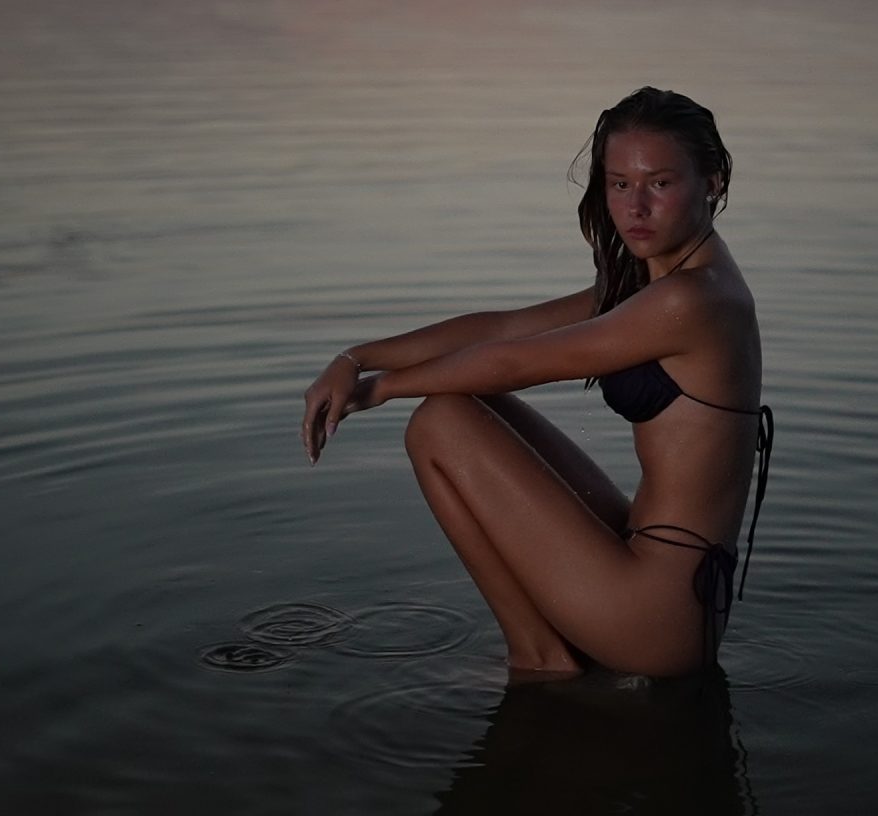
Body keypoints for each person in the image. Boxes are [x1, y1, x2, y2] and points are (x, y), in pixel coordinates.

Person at [301, 87, 773, 679]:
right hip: (658, 577)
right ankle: (549, 656)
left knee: (440, 421)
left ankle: (541, 661)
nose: (635, 208)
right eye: (619, 184)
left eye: (660, 183)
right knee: (464, 403)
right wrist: (356, 357)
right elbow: (506, 327)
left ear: (713, 181)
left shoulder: (692, 299)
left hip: (658, 615)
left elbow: (516, 361)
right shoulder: (656, 286)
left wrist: (378, 390)